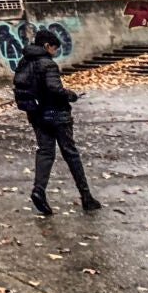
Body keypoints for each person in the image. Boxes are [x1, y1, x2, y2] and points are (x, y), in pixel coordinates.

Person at [12, 27, 101, 215]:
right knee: (71, 154)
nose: (55, 53)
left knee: (45, 152)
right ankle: (86, 197)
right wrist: (71, 95)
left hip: (36, 115)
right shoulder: (47, 64)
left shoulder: (24, 62)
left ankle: (39, 190)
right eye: (54, 48)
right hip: (57, 115)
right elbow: (54, 89)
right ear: (47, 46)